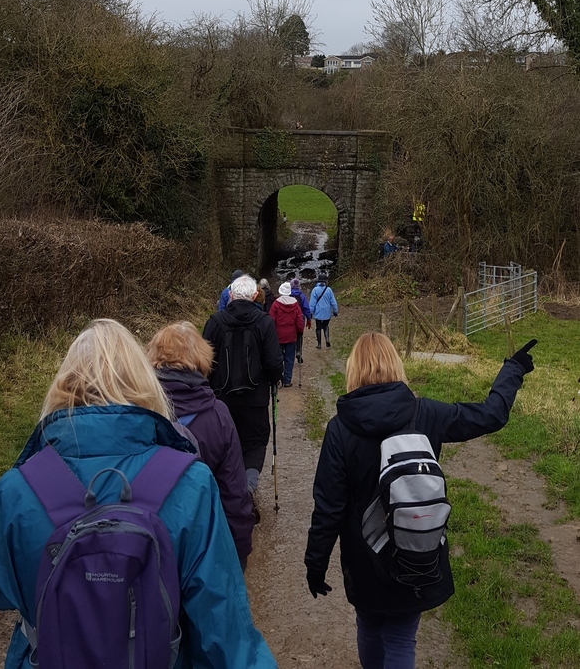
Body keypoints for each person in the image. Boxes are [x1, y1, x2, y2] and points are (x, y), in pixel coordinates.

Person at [0, 318, 277, 669]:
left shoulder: (14, 491)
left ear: (61, 387)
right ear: (144, 382)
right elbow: (226, 634)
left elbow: (1, 591)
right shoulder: (191, 484)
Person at [304, 331, 537, 669]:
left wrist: (316, 563)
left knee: (369, 625)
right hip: (416, 549)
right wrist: (512, 369)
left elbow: (328, 507)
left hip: (365, 556)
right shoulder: (425, 413)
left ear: (353, 369)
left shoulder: (340, 429)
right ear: (396, 366)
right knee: (401, 636)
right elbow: (489, 416)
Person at [147, 321, 254, 567]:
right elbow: (234, 495)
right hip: (200, 550)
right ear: (203, 359)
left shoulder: (137, 409)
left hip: (148, 547)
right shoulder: (218, 415)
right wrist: (239, 554)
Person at [203, 274, 284, 520]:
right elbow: (273, 362)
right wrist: (275, 378)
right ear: (254, 296)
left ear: (230, 295)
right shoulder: (264, 322)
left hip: (221, 401)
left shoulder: (215, 322)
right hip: (255, 400)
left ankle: (226, 495)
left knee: (226, 445)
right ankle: (248, 488)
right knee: (255, 443)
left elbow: (204, 362)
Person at [269, 281, 305, 387]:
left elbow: (271, 320)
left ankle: (279, 378)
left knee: (278, 357)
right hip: (291, 335)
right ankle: (287, 380)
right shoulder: (295, 305)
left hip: (278, 335)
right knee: (289, 358)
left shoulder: (276, 304)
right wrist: (300, 330)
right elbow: (299, 320)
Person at [309, 272, 338, 349]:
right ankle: (327, 339)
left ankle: (319, 344)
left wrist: (310, 312)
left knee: (318, 328)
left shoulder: (315, 290)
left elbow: (312, 303)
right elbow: (333, 302)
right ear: (325, 281)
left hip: (318, 312)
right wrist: (335, 311)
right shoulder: (329, 290)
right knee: (326, 326)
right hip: (327, 312)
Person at [290, 277, 312, 364]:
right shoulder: (302, 296)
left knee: (291, 337)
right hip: (300, 320)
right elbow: (306, 308)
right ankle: (299, 351)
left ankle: (291, 354)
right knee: (299, 336)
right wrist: (309, 319)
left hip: (290, 321)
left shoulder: (288, 295)